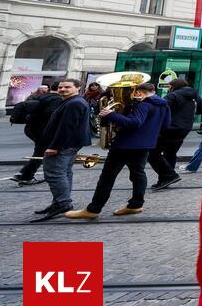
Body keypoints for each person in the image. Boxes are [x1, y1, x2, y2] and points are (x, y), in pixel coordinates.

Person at [66, 82, 167, 219]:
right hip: (145, 145)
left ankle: (93, 209)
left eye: (134, 92)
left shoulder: (143, 104)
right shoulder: (163, 104)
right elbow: (166, 124)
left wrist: (111, 115)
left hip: (126, 145)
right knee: (138, 174)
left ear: (139, 92)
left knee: (107, 177)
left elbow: (134, 123)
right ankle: (135, 205)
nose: (134, 95)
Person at [33, 80, 90, 221]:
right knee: (64, 172)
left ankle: (63, 203)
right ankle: (59, 202)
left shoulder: (74, 103)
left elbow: (67, 127)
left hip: (64, 145)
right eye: (60, 87)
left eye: (67, 87)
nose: (63, 89)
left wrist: (55, 147)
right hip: (70, 144)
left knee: (54, 173)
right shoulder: (72, 101)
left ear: (78, 88)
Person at [150, 78, 202, 190]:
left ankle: (169, 176)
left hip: (170, 128)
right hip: (185, 128)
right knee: (170, 153)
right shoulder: (193, 94)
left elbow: (160, 106)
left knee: (152, 153)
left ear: (174, 86)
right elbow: (201, 109)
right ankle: (164, 179)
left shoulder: (173, 95)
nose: (169, 88)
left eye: (169, 86)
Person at [10, 84, 62, 185]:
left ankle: (24, 174)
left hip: (31, 128)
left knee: (40, 151)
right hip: (43, 129)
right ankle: (26, 176)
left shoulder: (41, 96)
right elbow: (50, 114)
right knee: (41, 153)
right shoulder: (56, 99)